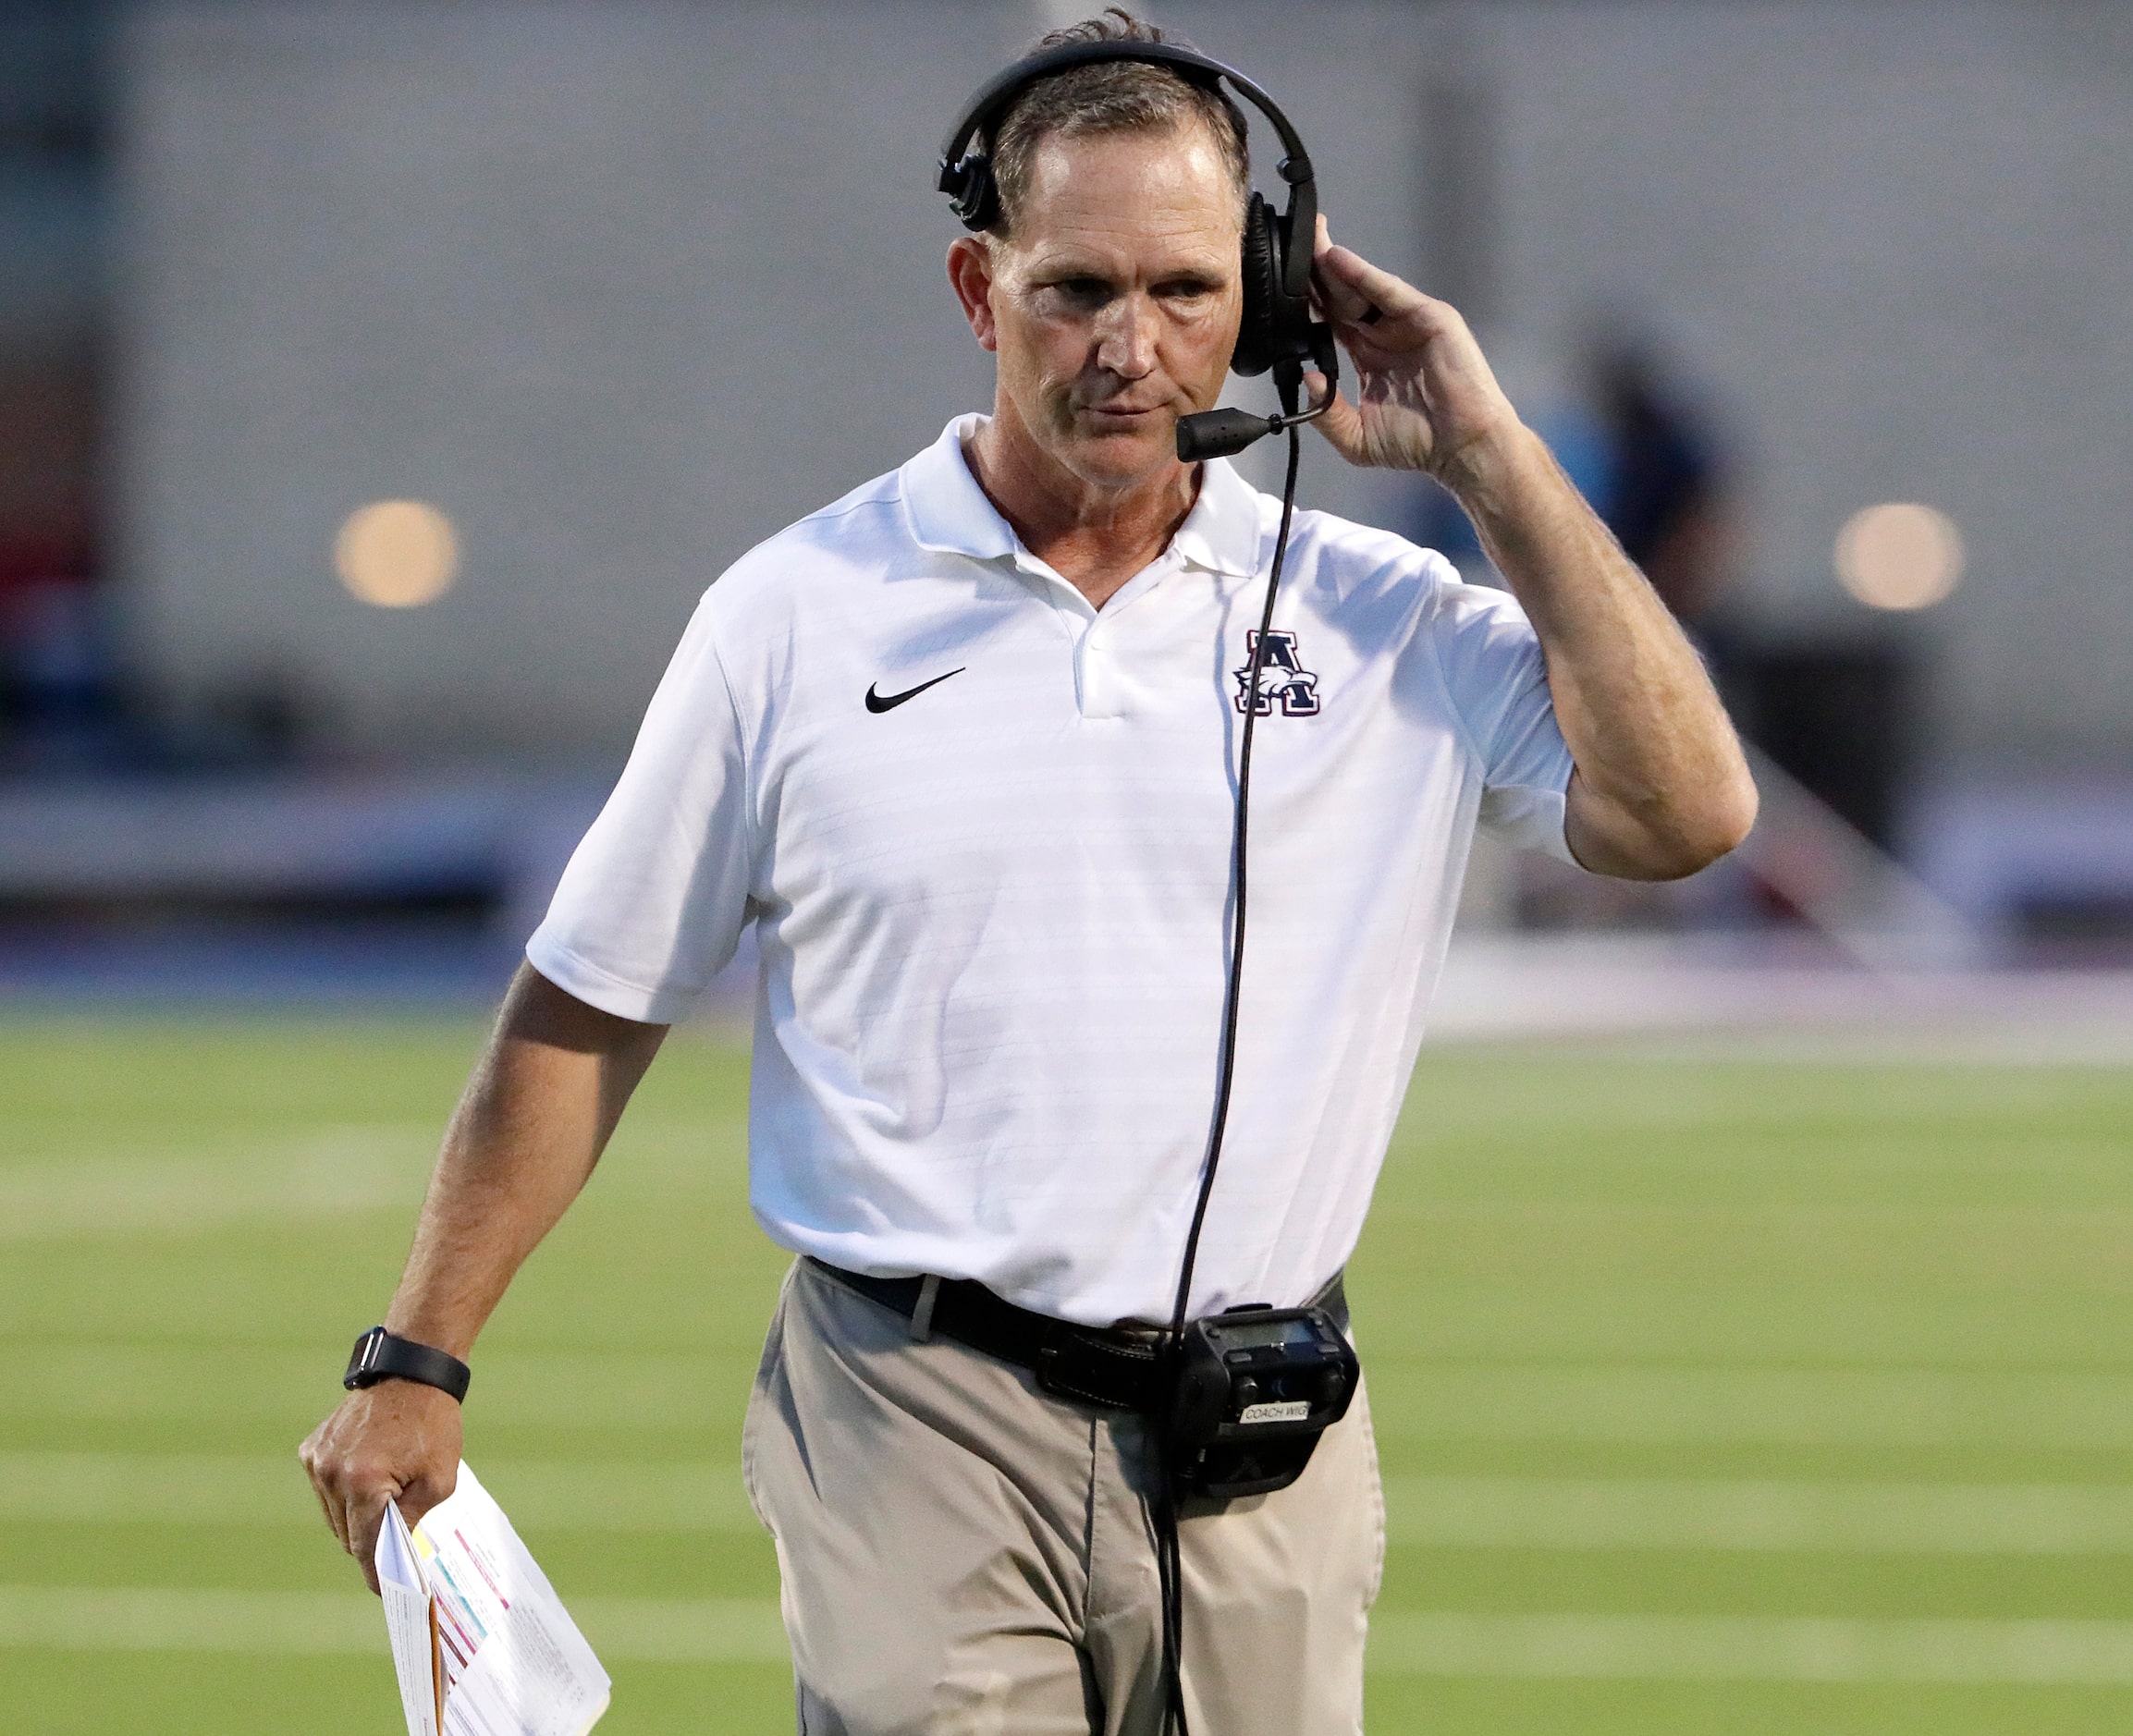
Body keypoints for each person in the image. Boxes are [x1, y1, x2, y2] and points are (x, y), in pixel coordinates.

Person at [300, 12, 1756, 1732]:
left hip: (1266, 1434)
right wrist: (417, 1351)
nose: (1133, 346)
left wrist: (1491, 455)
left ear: (1270, 301)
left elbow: (1686, 815)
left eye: (1188, 290)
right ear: (979, 289)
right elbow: (591, 999)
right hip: (918, 1410)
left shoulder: (1380, 618)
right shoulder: (793, 615)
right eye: (1077, 288)